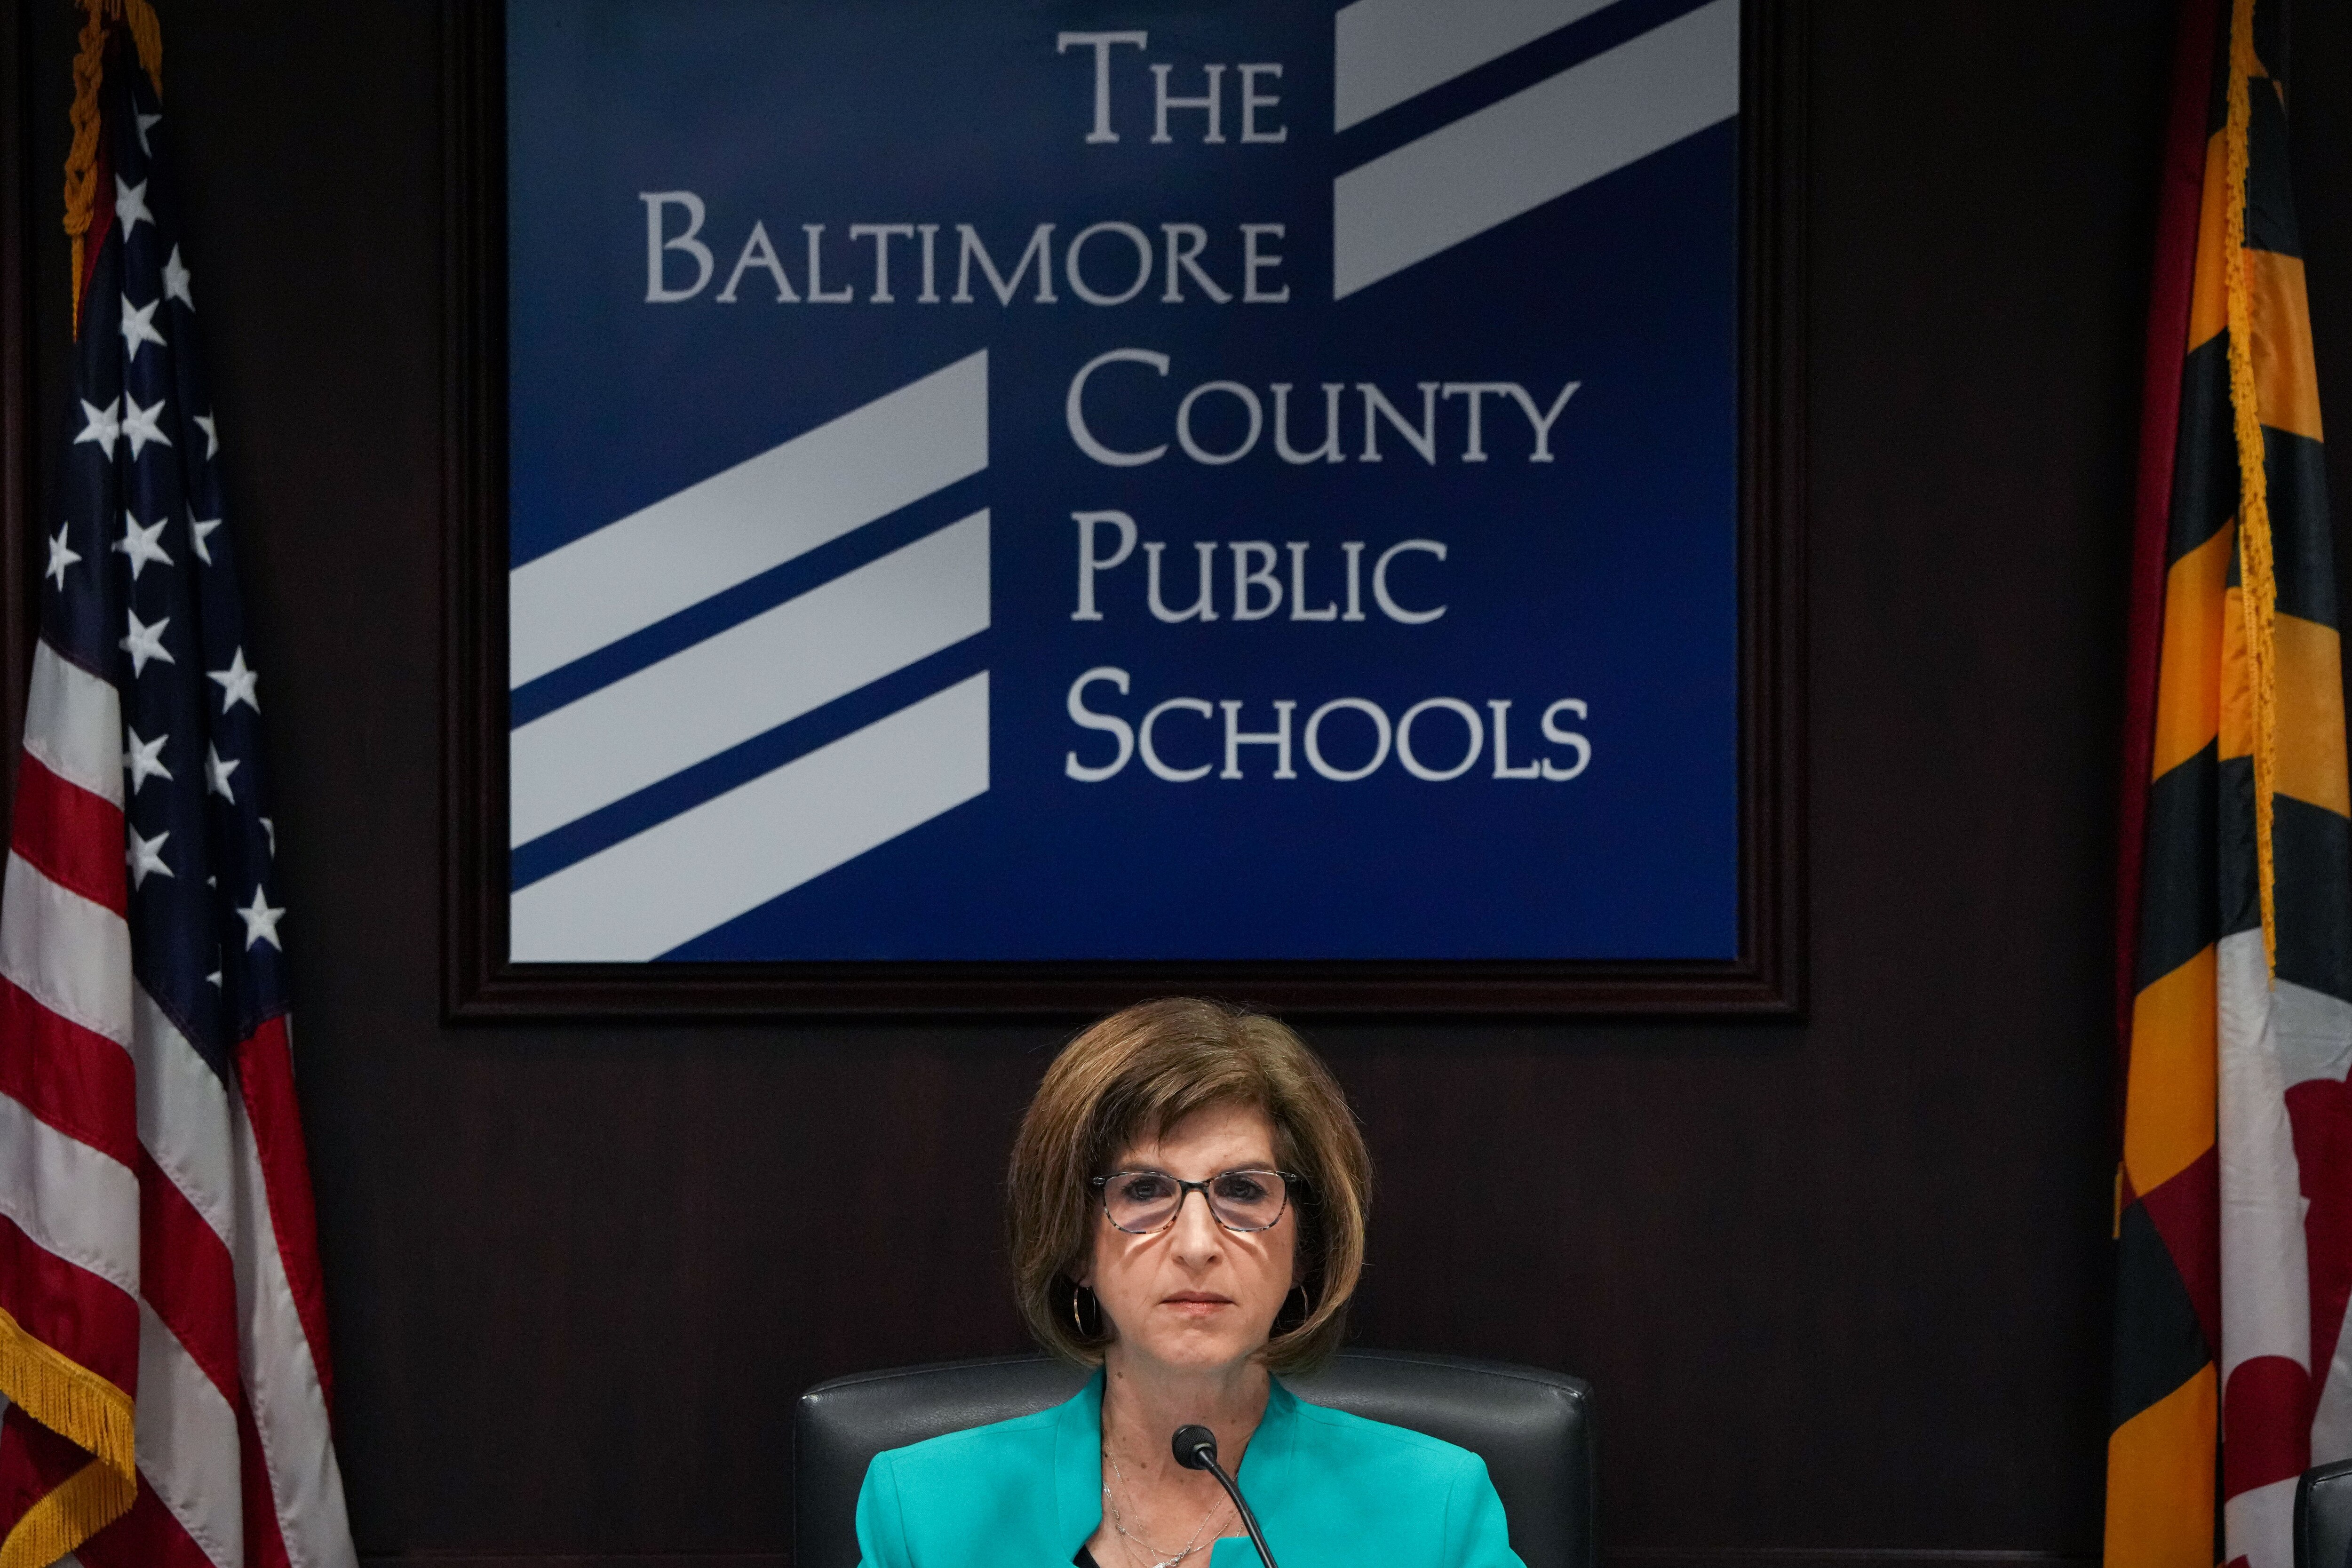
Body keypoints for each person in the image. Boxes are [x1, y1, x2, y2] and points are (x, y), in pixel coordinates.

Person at [852, 997, 1522, 1568]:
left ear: (1304, 1247)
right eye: (1144, 1189)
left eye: (1243, 1189)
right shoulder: (924, 1512)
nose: (1197, 1244)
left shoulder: (1433, 1510)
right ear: (1074, 1243)